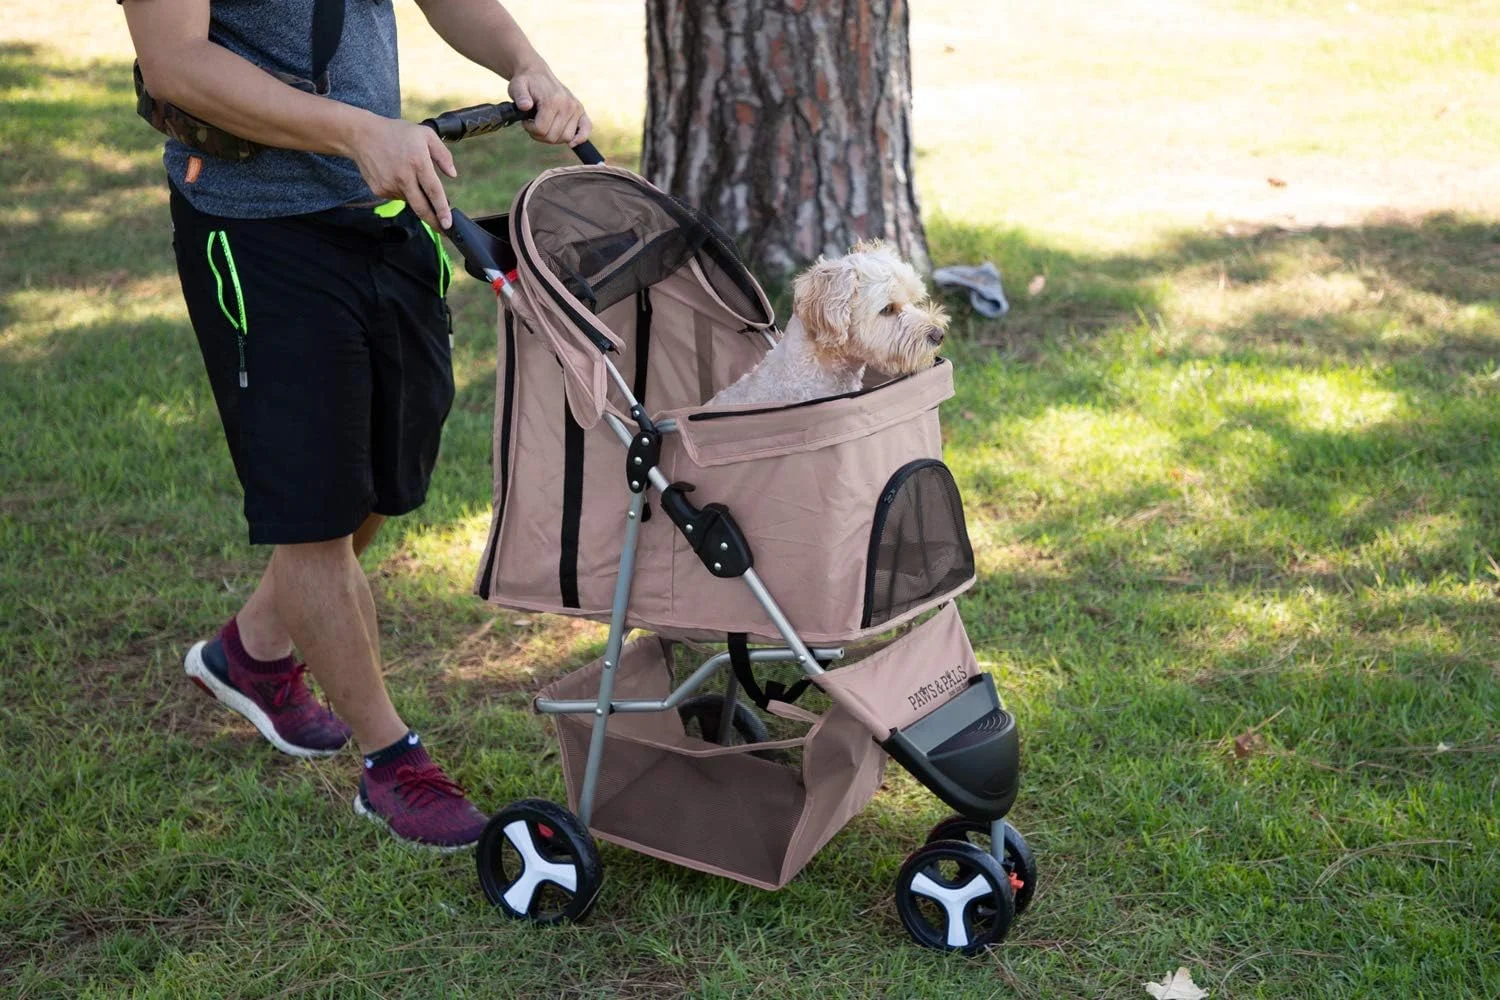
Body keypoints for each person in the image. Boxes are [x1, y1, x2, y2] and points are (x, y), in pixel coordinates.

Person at [122, 0, 591, 849]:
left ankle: (255, 653)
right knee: (314, 508)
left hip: (378, 207)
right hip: (254, 227)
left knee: (389, 469)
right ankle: (390, 763)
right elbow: (176, 63)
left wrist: (525, 62)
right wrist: (355, 132)